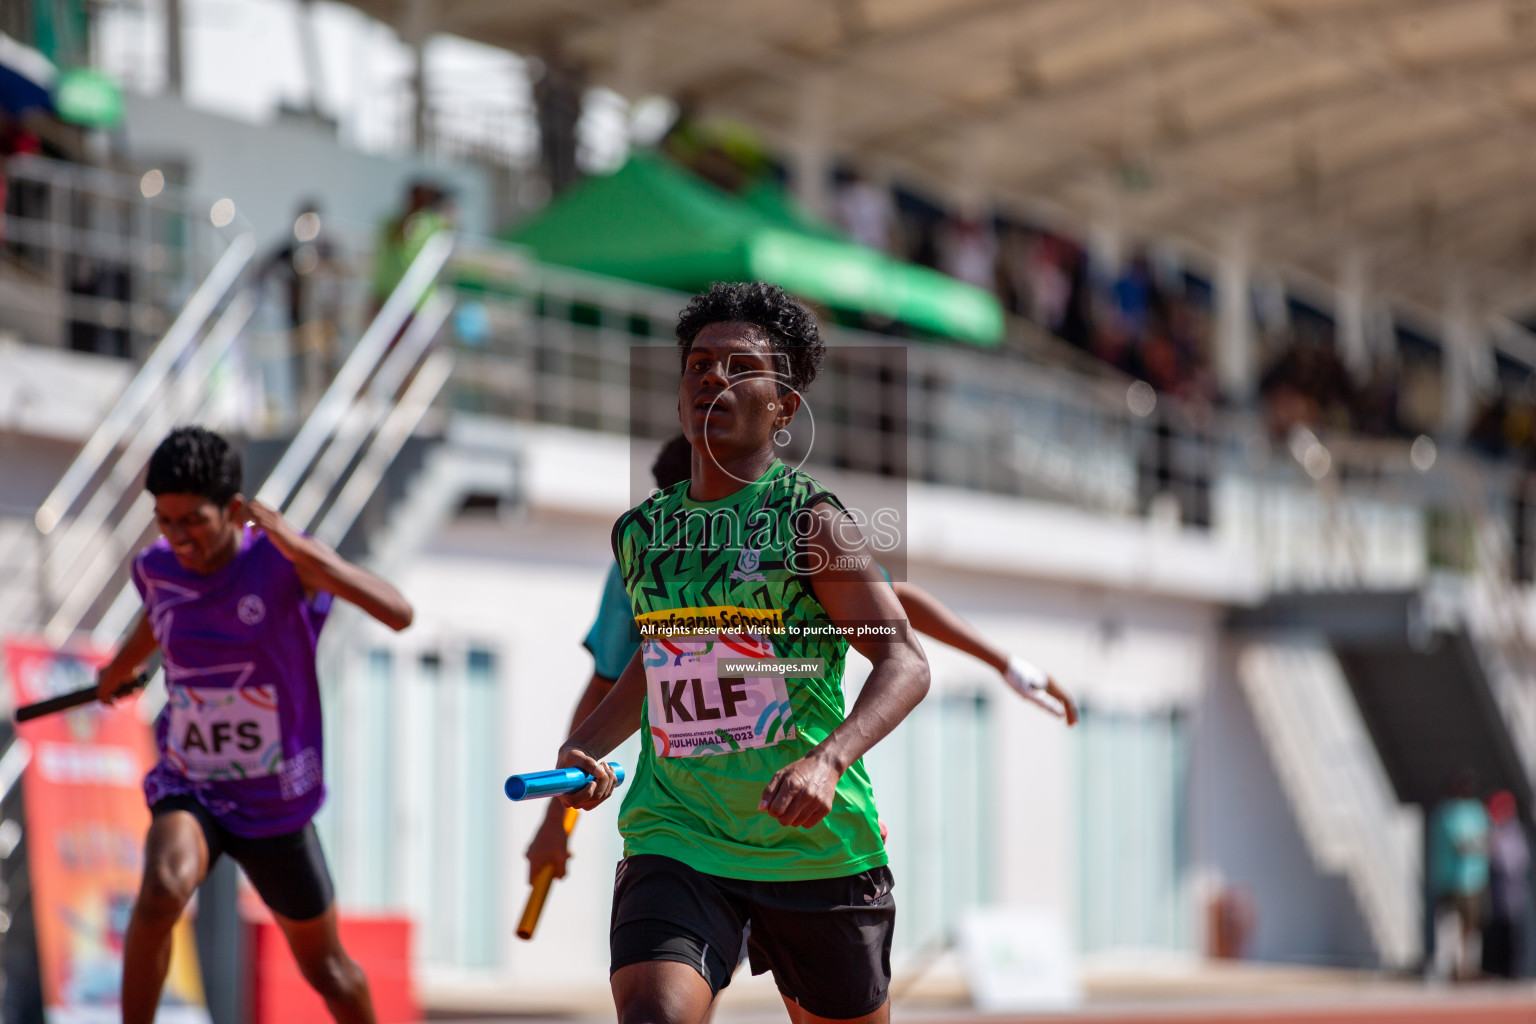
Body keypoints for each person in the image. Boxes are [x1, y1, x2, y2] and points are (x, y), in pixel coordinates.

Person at [553, 281, 934, 1024]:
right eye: (698, 364)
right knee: (652, 1015)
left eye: (738, 367)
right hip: (679, 830)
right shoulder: (642, 534)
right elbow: (661, 662)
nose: (711, 379)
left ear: (784, 408)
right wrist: (584, 746)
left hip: (812, 846)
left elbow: (906, 662)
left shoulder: (810, 523)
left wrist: (827, 761)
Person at [526, 433, 1078, 883]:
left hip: (794, 808)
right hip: (684, 819)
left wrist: (1005, 663)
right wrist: (558, 816)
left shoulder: (783, 538)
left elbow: (895, 609)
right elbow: (605, 689)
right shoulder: (641, 569)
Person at [95, 426, 414, 1024]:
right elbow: (157, 615)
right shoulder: (157, 568)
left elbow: (397, 614)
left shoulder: (284, 562)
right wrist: (118, 669)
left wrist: (300, 547)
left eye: (193, 520)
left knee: (329, 971)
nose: (178, 536)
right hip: (193, 784)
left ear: (235, 510)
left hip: (275, 801)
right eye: (165, 520)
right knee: (162, 889)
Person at [1429, 770, 1491, 982]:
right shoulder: (1446, 813)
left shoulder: (1475, 811)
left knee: (1472, 927)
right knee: (1450, 925)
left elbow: (1488, 841)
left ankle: (1468, 968)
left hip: (1474, 879)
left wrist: (1478, 844)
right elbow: (1463, 845)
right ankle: (1448, 969)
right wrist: (1478, 844)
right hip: (1451, 880)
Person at [1483, 790, 1529, 979]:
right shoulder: (1495, 831)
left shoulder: (1513, 833)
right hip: (1495, 898)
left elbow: (1513, 863)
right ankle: (1495, 971)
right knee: (1495, 936)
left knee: (1510, 938)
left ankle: (1511, 972)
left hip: (1511, 896)